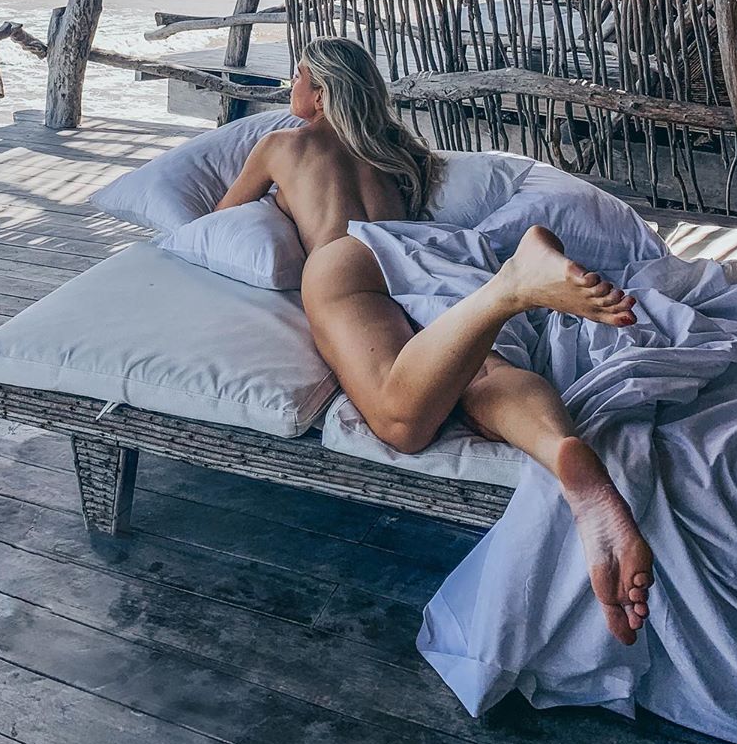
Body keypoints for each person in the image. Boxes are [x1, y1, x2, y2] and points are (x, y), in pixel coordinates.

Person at [216, 36, 654, 646]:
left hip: (347, 257)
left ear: (318, 92)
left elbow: (220, 219)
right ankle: (559, 449)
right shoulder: (400, 150)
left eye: (297, 78)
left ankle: (511, 290)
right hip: (433, 252)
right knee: (481, 374)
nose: (290, 89)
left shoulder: (281, 144)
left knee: (400, 421)